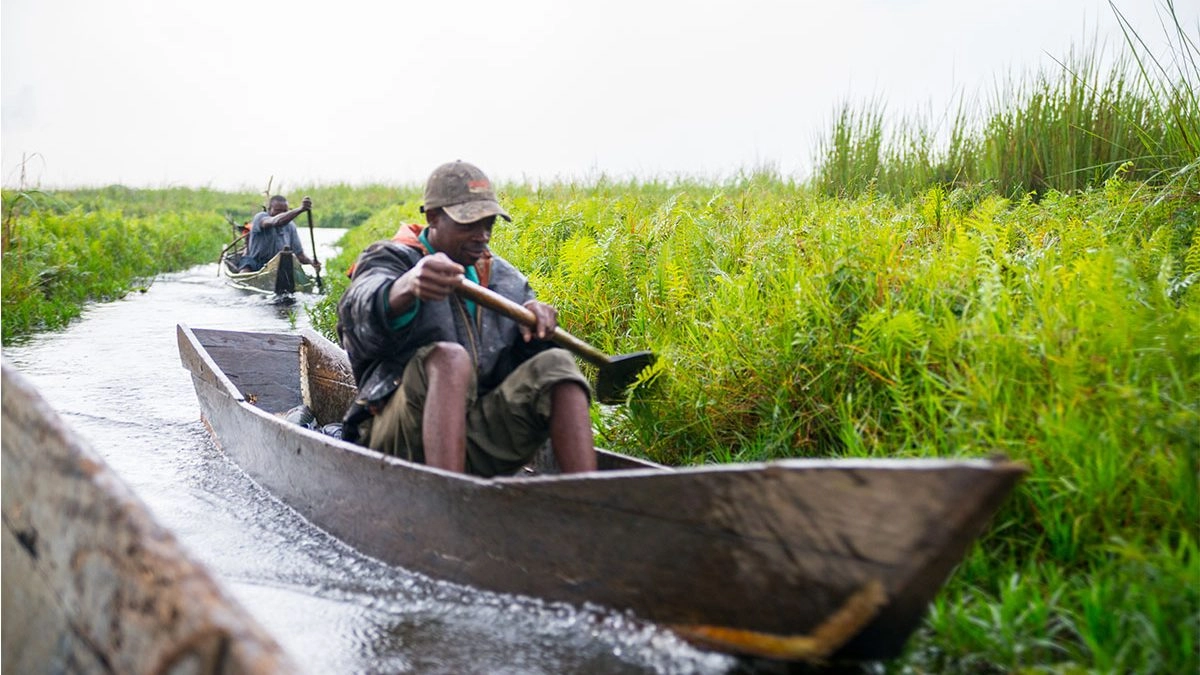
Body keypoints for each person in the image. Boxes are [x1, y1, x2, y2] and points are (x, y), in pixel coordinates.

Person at [336, 160, 596, 477]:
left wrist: (538, 332)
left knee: (558, 364)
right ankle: (451, 500)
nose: (482, 236)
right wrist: (405, 287)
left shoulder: (503, 279)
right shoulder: (392, 259)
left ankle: (587, 498)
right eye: (469, 224)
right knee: (450, 358)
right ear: (433, 217)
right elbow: (356, 314)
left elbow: (518, 370)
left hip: (471, 437)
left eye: (488, 224)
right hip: (395, 437)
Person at [238, 195, 323, 273]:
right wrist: (300, 209)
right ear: (269, 209)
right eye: (278, 210)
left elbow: (299, 255)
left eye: (285, 211)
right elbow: (276, 221)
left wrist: (312, 262)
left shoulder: (290, 226)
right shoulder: (261, 217)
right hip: (256, 263)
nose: (282, 214)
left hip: (278, 266)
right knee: (245, 269)